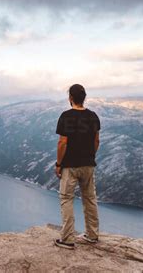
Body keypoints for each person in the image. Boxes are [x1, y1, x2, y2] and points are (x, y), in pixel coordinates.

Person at [54, 84, 100, 249]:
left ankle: (67, 239)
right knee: (90, 198)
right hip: (88, 164)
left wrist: (59, 164)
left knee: (66, 199)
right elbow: (96, 141)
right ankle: (92, 235)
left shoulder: (66, 116)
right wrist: (90, 156)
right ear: (84, 97)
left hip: (70, 165)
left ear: (70, 98)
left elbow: (62, 143)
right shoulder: (93, 116)